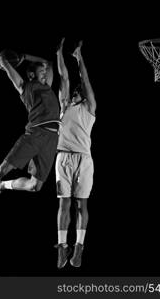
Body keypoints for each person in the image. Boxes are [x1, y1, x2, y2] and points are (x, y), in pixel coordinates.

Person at [0, 50, 60, 213]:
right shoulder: (25, 87)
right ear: (31, 75)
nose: (45, 73)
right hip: (34, 134)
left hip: (51, 139)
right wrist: (6, 63)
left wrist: (26, 56)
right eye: (41, 72)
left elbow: (47, 63)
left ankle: (0, 187)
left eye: (44, 72)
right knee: (2, 170)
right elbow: (4, 61)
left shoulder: (47, 86)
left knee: (35, 186)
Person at [54, 38, 96, 268]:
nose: (74, 94)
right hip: (64, 158)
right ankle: (62, 247)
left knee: (82, 205)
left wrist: (79, 58)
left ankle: (78, 247)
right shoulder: (65, 106)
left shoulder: (89, 108)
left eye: (78, 92)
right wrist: (59, 54)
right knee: (63, 204)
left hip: (84, 160)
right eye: (73, 93)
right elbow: (64, 78)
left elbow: (84, 80)